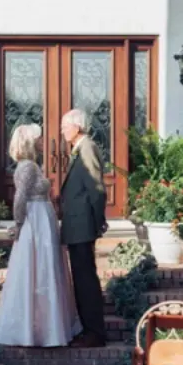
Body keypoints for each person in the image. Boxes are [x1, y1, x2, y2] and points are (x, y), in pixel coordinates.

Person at [0, 123, 82, 347]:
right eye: (39, 139)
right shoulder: (27, 167)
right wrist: (19, 223)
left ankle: (46, 326)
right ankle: (33, 330)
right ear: (30, 143)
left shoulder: (32, 166)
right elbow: (20, 198)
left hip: (42, 220)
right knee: (37, 269)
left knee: (45, 269)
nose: (43, 142)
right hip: (35, 223)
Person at [59, 109, 107, 348]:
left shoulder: (87, 147)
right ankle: (89, 329)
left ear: (76, 127)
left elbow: (96, 189)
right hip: (77, 225)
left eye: (65, 126)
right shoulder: (79, 149)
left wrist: (97, 222)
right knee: (81, 278)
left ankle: (94, 332)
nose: (62, 131)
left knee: (85, 279)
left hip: (83, 226)